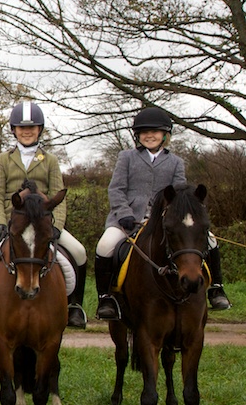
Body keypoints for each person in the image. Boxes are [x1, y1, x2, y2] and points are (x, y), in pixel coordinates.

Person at [95, 106, 231, 319]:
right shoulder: (126, 157)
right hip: (128, 219)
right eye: (145, 132)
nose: (150, 135)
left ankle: (217, 289)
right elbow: (116, 188)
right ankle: (106, 298)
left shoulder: (176, 162)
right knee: (105, 245)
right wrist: (123, 213)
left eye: (155, 132)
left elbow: (180, 194)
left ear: (165, 135)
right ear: (138, 135)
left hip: (164, 220)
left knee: (211, 241)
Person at [0, 101, 88, 328]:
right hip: (11, 220)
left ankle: (74, 307)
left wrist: (57, 224)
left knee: (79, 252)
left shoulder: (50, 160)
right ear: (14, 130)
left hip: (42, 222)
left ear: (39, 129)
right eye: (21, 128)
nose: (27, 132)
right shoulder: (4, 159)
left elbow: (58, 195)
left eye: (32, 128)